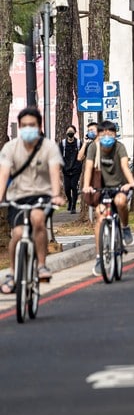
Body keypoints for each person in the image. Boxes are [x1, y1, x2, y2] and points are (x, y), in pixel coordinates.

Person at [0, 107, 63, 292]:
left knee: (38, 220)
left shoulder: (49, 147)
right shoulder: (10, 148)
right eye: (24, 125)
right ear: (19, 127)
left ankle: (41, 265)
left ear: (39, 126)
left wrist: (56, 195)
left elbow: (54, 173)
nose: (28, 128)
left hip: (42, 196)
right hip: (17, 197)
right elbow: (3, 175)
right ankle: (12, 272)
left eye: (32, 125)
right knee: (18, 234)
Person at [82, 120, 134, 276]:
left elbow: (125, 166)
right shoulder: (93, 147)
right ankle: (100, 257)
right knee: (100, 218)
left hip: (120, 186)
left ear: (115, 134)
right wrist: (87, 185)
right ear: (98, 135)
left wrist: (131, 183)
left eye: (110, 133)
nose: (107, 137)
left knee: (120, 202)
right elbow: (88, 168)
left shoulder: (119, 147)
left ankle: (125, 228)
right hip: (101, 189)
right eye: (103, 134)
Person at [60, 125, 82, 214]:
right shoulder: (63, 143)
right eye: (69, 131)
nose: (70, 133)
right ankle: (70, 200)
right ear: (66, 133)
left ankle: (73, 206)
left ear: (75, 132)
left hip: (76, 169)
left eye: (72, 131)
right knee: (67, 188)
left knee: (74, 187)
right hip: (66, 169)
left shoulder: (78, 143)